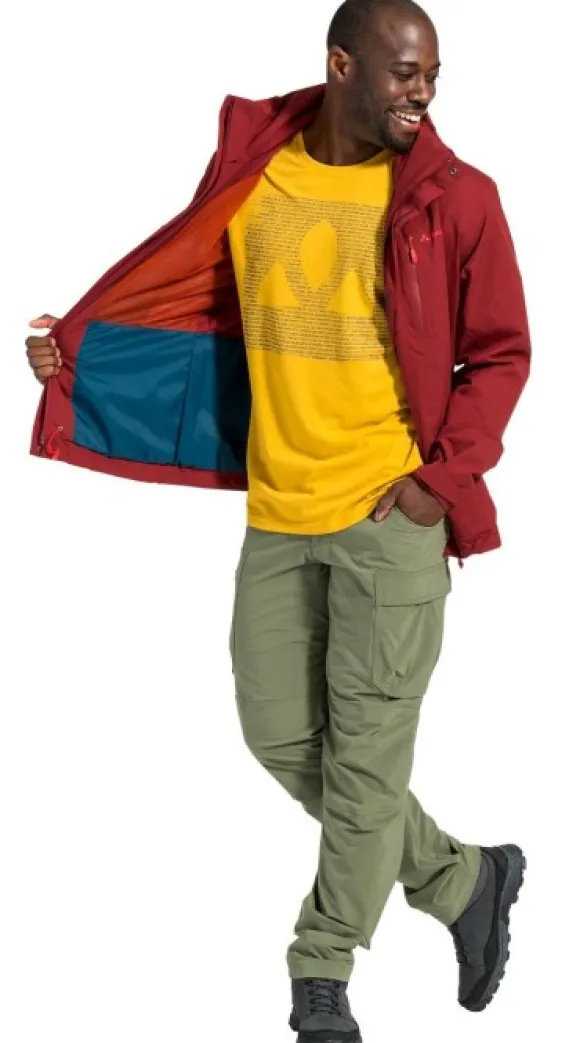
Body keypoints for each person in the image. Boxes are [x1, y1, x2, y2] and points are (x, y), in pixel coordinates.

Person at [25, 1, 530, 1040]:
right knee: (281, 734)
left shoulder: (455, 197)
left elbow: (500, 353)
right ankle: (460, 877)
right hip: (278, 511)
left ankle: (320, 970)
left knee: (364, 762)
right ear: (340, 64)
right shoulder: (258, 174)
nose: (423, 92)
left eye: (432, 74)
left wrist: (436, 483)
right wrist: (80, 357)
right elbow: (190, 303)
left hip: (390, 516)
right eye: (402, 72)